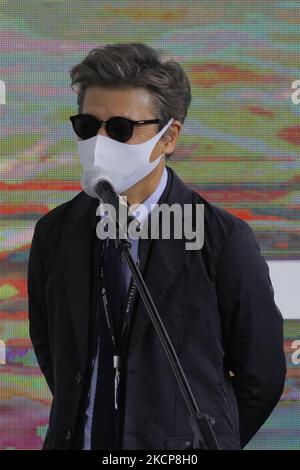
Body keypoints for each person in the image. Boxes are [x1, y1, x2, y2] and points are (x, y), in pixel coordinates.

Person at [27, 42, 286, 450]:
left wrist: (198, 443)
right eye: (87, 125)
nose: (99, 142)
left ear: (169, 137)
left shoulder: (222, 240)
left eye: (120, 129)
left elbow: (262, 373)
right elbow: (51, 348)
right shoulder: (55, 232)